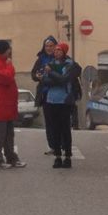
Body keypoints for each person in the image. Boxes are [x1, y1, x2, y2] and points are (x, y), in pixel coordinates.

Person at [0, 40, 26, 169]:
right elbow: (7, 78)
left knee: (9, 134)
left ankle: (11, 158)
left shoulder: (2, 62)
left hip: (7, 105)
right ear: (5, 50)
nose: (10, 52)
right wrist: (10, 66)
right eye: (9, 49)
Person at [42, 41, 78, 169]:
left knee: (65, 129)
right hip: (51, 100)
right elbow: (44, 80)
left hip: (64, 100)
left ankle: (67, 156)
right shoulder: (50, 64)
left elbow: (64, 79)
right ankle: (57, 156)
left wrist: (52, 74)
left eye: (59, 50)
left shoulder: (70, 65)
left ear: (64, 52)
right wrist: (54, 77)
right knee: (55, 130)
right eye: (55, 50)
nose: (56, 52)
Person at [31, 35, 58, 155]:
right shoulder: (41, 59)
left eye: (51, 46)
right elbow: (33, 74)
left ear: (55, 47)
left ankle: (60, 144)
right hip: (45, 94)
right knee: (49, 121)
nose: (49, 48)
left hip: (58, 94)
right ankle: (52, 146)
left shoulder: (60, 58)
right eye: (47, 46)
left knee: (59, 121)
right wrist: (37, 77)